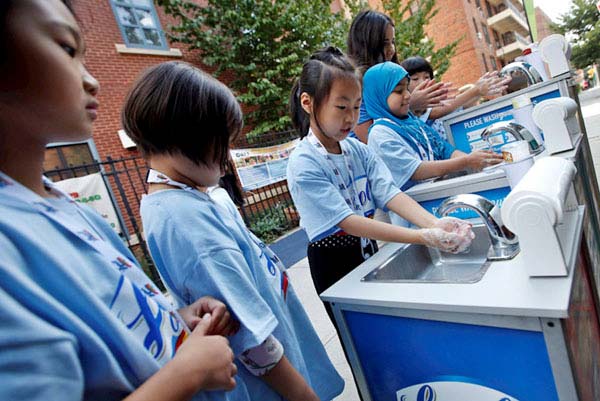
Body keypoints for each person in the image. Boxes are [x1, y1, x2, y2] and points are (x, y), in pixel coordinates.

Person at [0, 1, 239, 401]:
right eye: (65, 48)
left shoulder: (62, 204)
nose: (92, 80)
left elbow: (107, 331)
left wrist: (171, 321)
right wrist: (187, 372)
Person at [123, 61, 344, 401]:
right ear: (188, 135)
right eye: (221, 141)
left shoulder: (191, 195)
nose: (227, 157)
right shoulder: (183, 219)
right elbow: (255, 346)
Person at [286, 47, 475, 321]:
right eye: (341, 107)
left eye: (356, 106)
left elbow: (388, 193)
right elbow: (348, 221)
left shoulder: (356, 150)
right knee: (358, 337)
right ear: (308, 102)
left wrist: (433, 224)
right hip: (333, 261)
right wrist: (422, 236)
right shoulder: (305, 161)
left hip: (366, 247)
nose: (351, 118)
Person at [363, 62, 504, 225]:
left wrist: (481, 163)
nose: (408, 95)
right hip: (414, 216)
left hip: (435, 201)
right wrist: (466, 161)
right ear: (378, 95)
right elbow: (415, 170)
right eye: (398, 91)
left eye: (407, 89)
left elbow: (444, 149)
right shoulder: (380, 133)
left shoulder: (412, 122)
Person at [347, 9, 450, 143]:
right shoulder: (357, 84)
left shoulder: (393, 75)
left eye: (393, 42)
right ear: (367, 44)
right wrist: (410, 104)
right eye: (385, 43)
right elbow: (370, 138)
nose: (391, 50)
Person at [400, 56, 510, 139]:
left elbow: (461, 104)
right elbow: (439, 111)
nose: (423, 82)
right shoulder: (408, 108)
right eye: (415, 79)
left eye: (427, 77)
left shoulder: (438, 103)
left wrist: (480, 91)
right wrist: (476, 90)